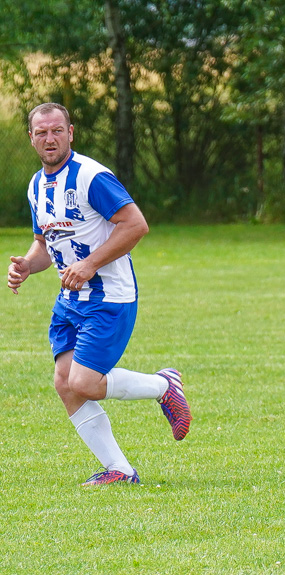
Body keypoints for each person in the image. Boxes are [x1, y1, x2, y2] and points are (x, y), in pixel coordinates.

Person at [7, 103, 192, 486]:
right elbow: (45, 243)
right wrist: (27, 265)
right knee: (64, 382)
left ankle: (163, 385)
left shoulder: (92, 176)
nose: (49, 138)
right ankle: (120, 470)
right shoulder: (35, 185)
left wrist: (90, 264)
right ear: (31, 139)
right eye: (41, 133)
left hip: (109, 298)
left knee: (86, 383)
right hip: (70, 300)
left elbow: (136, 225)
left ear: (70, 133)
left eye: (56, 130)